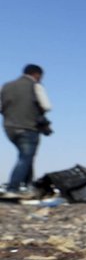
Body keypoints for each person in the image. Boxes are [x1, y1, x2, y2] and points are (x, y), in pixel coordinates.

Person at [1, 64, 52, 196]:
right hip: (28, 127)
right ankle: (13, 188)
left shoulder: (6, 86)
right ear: (37, 74)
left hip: (9, 128)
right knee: (25, 158)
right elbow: (46, 106)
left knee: (26, 157)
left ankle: (30, 186)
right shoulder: (35, 86)